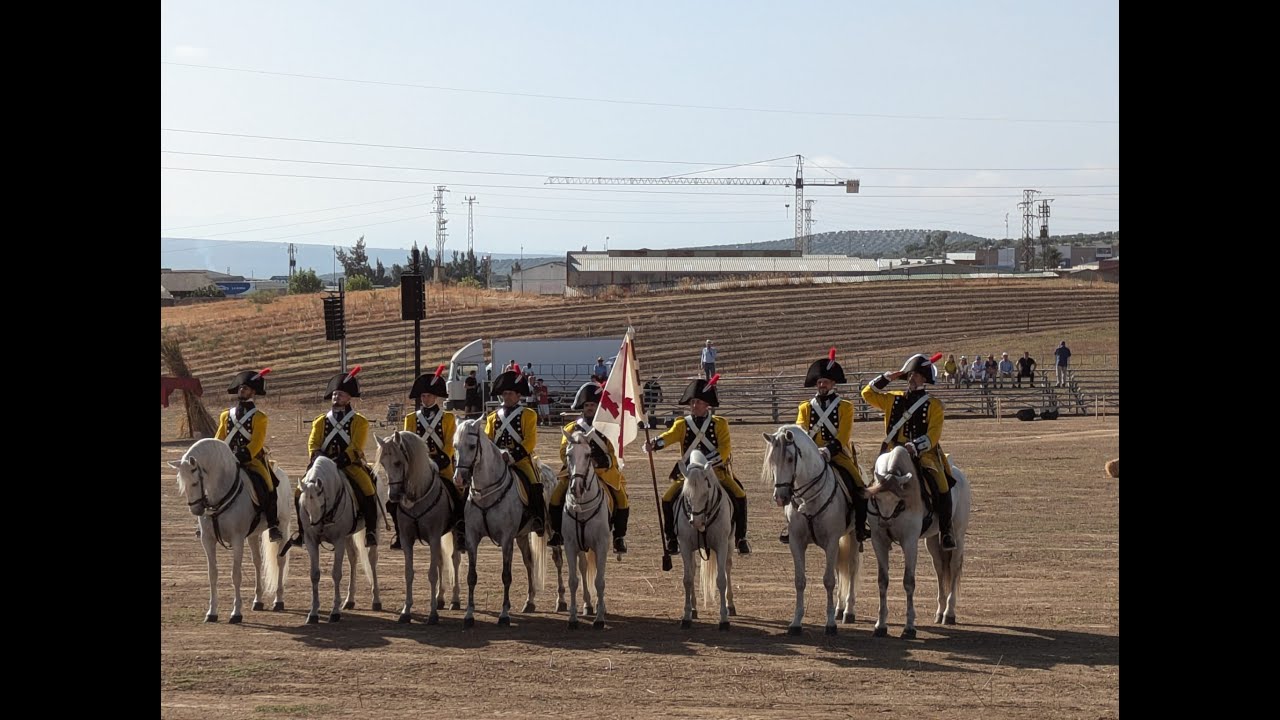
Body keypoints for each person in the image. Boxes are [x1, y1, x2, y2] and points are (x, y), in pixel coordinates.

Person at [643, 375, 751, 555]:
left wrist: (708, 464)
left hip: (716, 473)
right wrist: (655, 443)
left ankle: (741, 538)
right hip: (689, 475)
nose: (694, 406)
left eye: (698, 402)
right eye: (692, 402)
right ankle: (671, 538)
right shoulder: (682, 424)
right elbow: (669, 436)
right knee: (667, 498)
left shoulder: (720, 424)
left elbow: (725, 449)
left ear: (707, 404)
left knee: (739, 494)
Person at [860, 354, 956, 549]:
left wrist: (916, 446)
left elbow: (933, 435)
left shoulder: (934, 405)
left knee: (942, 485)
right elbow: (867, 393)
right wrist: (889, 377)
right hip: (892, 451)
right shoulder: (892, 399)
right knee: (871, 486)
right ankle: (865, 526)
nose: (912, 377)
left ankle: (946, 531)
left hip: (923, 454)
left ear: (925, 379)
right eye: (911, 374)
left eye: (918, 375)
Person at [288, 367, 379, 550]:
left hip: (348, 465)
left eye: (341, 394)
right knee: (299, 492)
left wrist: (338, 461)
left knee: (368, 488)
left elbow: (356, 446)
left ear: (349, 398)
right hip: (321, 466)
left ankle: (370, 531)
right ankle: (303, 531)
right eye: (335, 394)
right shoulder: (321, 421)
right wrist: (319, 458)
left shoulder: (359, 421)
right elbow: (313, 443)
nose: (337, 397)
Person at [790, 349, 868, 544]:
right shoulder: (805, 407)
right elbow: (800, 430)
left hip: (837, 454)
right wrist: (810, 451)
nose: (821, 385)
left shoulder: (845, 407)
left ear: (833, 384)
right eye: (819, 382)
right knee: (789, 484)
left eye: (825, 382)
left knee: (859, 486)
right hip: (811, 455)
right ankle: (791, 524)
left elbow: (843, 435)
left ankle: (860, 527)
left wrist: (828, 450)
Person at [547, 382, 630, 553]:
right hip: (576, 472)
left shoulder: (608, 428)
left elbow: (613, 451)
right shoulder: (571, 428)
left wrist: (602, 461)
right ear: (582, 407)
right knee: (556, 497)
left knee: (621, 498)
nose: (590, 408)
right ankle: (557, 533)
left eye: (593, 405)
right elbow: (564, 451)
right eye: (587, 405)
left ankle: (619, 537)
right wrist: (575, 463)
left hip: (603, 472)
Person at [399, 364, 462, 550]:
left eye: (428, 395)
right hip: (418, 468)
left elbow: (450, 442)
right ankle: (399, 531)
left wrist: (443, 458)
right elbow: (407, 442)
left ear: (436, 396)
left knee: (458, 495)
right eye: (423, 396)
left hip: (442, 466)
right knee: (397, 496)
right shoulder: (411, 418)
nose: (425, 399)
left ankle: (460, 528)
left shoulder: (448, 418)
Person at [214, 368, 282, 542]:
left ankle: (273, 524)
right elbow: (219, 438)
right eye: (240, 388)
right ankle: (204, 521)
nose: (241, 390)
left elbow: (256, 443)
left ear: (253, 392)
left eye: (246, 388)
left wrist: (241, 455)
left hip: (251, 460)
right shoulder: (225, 415)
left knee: (268, 485)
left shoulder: (259, 417)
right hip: (226, 460)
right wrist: (218, 453)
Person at [484, 365, 546, 535]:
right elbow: (487, 440)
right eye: (504, 393)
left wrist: (512, 457)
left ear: (519, 395)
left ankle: (537, 518)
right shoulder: (492, 417)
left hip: (521, 460)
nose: (506, 397)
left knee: (534, 484)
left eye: (510, 393)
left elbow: (530, 441)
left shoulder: (528, 414)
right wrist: (496, 456)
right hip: (496, 460)